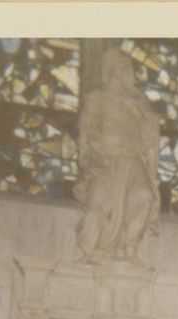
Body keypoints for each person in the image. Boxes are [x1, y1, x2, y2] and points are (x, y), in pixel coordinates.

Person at [74, 48, 160, 263]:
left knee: (145, 197)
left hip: (132, 159)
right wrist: (87, 160)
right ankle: (92, 251)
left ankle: (129, 249)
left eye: (127, 69)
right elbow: (86, 131)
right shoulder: (96, 98)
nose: (128, 74)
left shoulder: (138, 103)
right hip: (105, 160)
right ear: (113, 70)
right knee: (98, 205)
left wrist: (149, 129)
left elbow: (150, 133)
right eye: (124, 69)